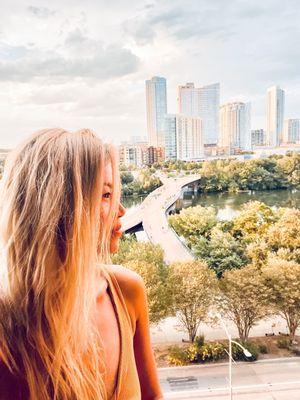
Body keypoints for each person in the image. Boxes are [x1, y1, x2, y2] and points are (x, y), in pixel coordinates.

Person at [0, 128, 163, 400]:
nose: (120, 211)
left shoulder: (125, 291)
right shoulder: (7, 327)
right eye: (106, 195)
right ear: (58, 208)